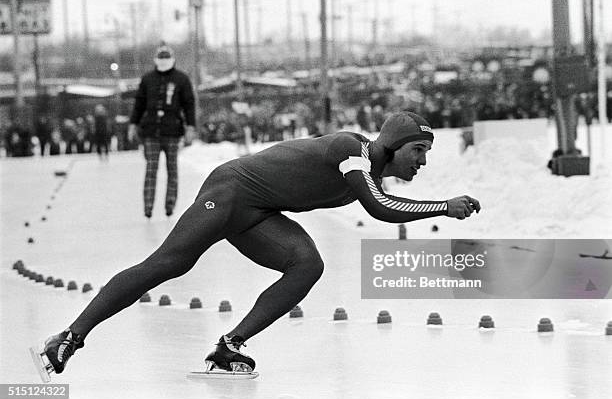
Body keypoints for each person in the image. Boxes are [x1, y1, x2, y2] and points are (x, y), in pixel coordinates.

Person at [34, 111, 481, 379]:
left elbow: (378, 198)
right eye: (419, 149)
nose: (422, 160)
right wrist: (443, 206)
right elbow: (379, 208)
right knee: (170, 263)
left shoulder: (371, 168)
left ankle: (230, 346)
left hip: (262, 213)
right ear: (395, 144)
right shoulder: (354, 151)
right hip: (231, 191)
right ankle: (69, 337)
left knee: (306, 264)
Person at [128, 45, 196, 218]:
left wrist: (190, 126)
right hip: (151, 131)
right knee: (151, 169)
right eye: (161, 57)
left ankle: (170, 205)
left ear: (172, 59)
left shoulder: (181, 79)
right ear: (156, 59)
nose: (164, 60)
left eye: (167, 57)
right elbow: (139, 104)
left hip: (173, 131)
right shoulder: (147, 79)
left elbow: (189, 104)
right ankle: (148, 206)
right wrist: (133, 124)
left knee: (172, 169)